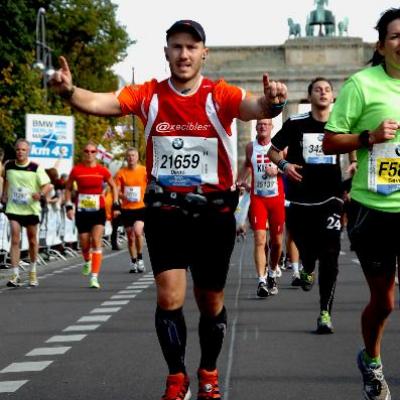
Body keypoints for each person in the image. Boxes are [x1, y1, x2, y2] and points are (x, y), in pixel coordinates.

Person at [49, 19, 287, 400]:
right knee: (169, 297)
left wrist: (273, 102)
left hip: (213, 214)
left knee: (210, 303)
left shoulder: (218, 94)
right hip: (166, 211)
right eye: (176, 47)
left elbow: (253, 106)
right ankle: (177, 377)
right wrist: (69, 91)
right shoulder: (149, 95)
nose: (184, 54)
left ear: (204, 53)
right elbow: (100, 102)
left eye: (192, 47)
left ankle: (208, 370)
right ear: (166, 53)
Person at [322, 8, 400, 399]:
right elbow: (330, 141)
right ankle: (371, 359)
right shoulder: (361, 85)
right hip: (375, 210)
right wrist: (368, 137)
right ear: (382, 44)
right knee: (384, 302)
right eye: (397, 35)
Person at [268, 77, 343, 335]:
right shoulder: (295, 123)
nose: (322, 93)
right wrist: (285, 166)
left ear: (332, 96)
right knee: (307, 250)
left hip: (332, 197)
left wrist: (354, 162)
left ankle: (325, 312)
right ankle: (307, 266)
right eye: (317, 89)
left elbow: (354, 145)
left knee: (331, 255)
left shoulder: (341, 123)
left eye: (327, 90)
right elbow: (273, 151)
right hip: (300, 200)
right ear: (309, 96)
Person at [237, 119, 285, 297]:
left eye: (266, 124)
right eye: (259, 124)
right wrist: (239, 181)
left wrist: (278, 170)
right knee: (259, 239)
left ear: (272, 127)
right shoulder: (250, 147)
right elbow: (247, 166)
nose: (262, 126)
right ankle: (262, 281)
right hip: (258, 199)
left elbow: (291, 168)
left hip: (276, 199)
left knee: (277, 242)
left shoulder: (280, 146)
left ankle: (272, 273)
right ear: (255, 127)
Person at [64, 141, 119, 289]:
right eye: (87, 151)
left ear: (97, 154)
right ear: (83, 153)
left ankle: (94, 277)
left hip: (98, 210)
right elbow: (68, 188)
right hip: (82, 211)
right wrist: (69, 205)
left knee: (96, 240)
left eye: (93, 151)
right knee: (84, 242)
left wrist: (115, 203)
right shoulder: (76, 170)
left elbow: (113, 186)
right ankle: (87, 260)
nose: (89, 154)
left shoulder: (102, 170)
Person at [2, 139, 51, 287]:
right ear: (15, 150)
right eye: (18, 149)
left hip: (31, 209)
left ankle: (33, 271)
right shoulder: (8, 165)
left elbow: (47, 185)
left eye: (23, 150)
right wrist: (4, 194)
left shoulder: (35, 168)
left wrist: (40, 194)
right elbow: (5, 179)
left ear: (28, 151)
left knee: (32, 240)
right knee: (15, 239)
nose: (20, 152)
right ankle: (15, 275)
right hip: (14, 208)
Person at [114, 147, 147, 273]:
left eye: (133, 155)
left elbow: (151, 185)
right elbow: (116, 190)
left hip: (140, 207)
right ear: (126, 158)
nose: (131, 158)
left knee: (138, 232)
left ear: (137, 157)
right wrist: (123, 196)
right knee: (130, 236)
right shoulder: (121, 173)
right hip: (127, 208)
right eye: (128, 156)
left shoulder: (144, 171)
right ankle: (133, 261)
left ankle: (140, 258)